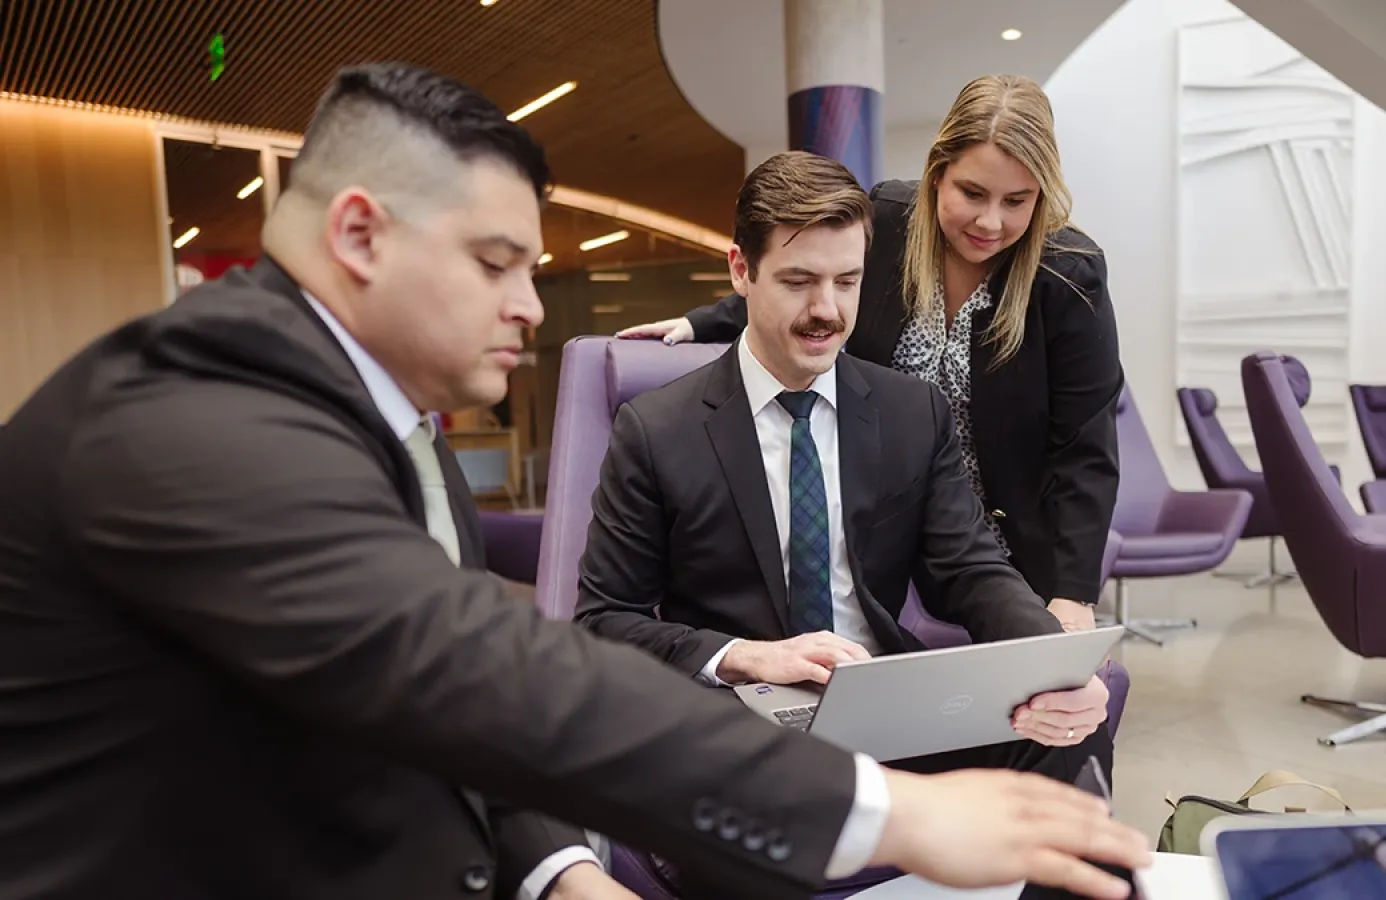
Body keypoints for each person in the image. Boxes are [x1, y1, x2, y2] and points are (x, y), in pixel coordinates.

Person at [0, 64, 1149, 900]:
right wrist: (892, 813)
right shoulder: (202, 417)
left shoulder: (392, 431)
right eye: (496, 264)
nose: (530, 309)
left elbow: (438, 712)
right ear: (359, 235)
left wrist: (554, 870)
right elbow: (473, 671)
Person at [576, 149, 1124, 899]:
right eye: (798, 281)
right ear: (741, 271)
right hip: (738, 728)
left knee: (1068, 731)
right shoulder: (657, 430)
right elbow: (605, 620)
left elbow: (969, 569)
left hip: (883, 709)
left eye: (847, 281)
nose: (827, 310)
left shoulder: (907, 412)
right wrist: (744, 656)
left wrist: (1050, 664)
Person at [620, 74, 1122, 635]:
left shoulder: (1067, 275)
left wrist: (1073, 593)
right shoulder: (888, 219)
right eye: (972, 193)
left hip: (1003, 539)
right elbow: (808, 278)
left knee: (1051, 700)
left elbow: (1085, 449)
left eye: (1017, 201)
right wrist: (700, 322)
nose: (990, 222)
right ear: (937, 175)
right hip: (889, 525)